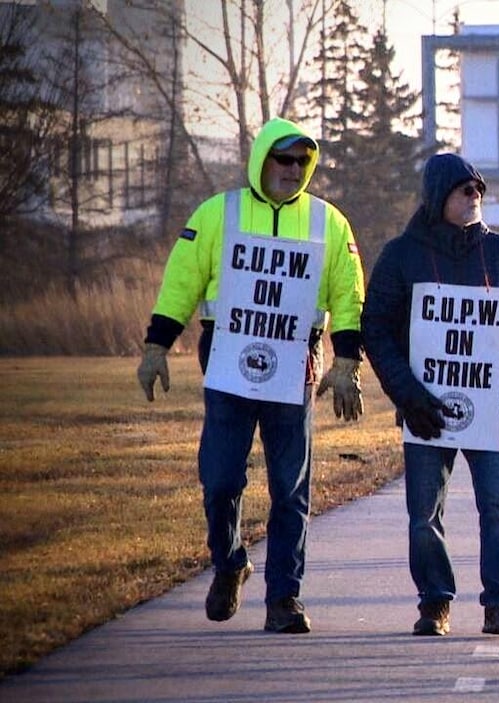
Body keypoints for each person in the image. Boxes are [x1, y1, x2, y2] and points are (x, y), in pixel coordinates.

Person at [136, 117, 366, 634]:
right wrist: (157, 345)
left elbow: (348, 293)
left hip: (296, 365)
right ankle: (230, 560)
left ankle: (284, 597)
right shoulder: (219, 214)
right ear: (261, 159)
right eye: (282, 159)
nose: (292, 169)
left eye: (302, 161)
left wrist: (349, 361)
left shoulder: (328, 222)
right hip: (226, 360)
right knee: (220, 479)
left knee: (291, 489)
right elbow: (182, 281)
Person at [361, 152, 499, 638]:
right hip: (424, 405)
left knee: (497, 502)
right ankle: (435, 602)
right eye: (463, 190)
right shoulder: (401, 255)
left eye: (478, 191)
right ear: (438, 196)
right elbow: (376, 329)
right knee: (424, 512)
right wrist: (407, 396)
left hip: (488, 404)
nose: (474, 198)